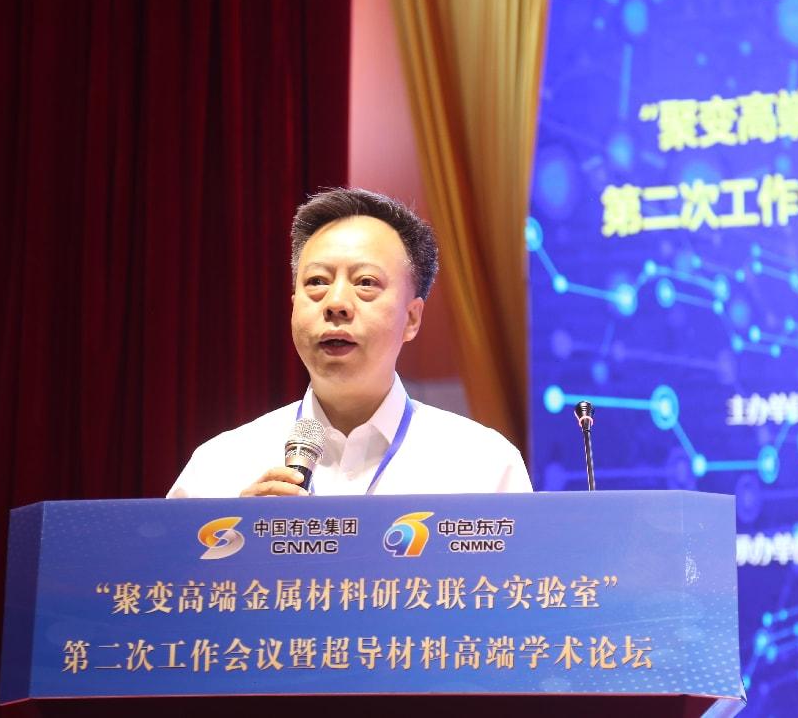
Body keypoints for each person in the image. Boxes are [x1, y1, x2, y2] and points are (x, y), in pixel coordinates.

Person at [167, 188, 532, 498]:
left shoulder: (483, 466)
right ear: (293, 307)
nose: (336, 303)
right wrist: (241, 542)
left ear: (411, 318)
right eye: (317, 282)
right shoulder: (218, 469)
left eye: (365, 282)